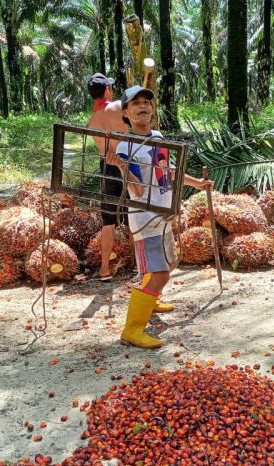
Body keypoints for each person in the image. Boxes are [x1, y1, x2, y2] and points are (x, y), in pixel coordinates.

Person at [109, 86, 212, 349]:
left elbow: (168, 170)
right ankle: (132, 330)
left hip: (164, 213)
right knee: (160, 272)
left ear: (152, 110)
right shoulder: (125, 147)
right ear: (126, 113)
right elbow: (138, 189)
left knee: (169, 261)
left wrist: (196, 183)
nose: (143, 106)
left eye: (146, 102)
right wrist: (122, 166)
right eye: (135, 104)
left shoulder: (157, 136)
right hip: (146, 217)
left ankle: (151, 301)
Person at [86, 73, 128, 282]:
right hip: (126, 164)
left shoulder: (92, 119)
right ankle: (142, 264)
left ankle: (104, 269)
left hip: (106, 167)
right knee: (138, 214)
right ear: (108, 90)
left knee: (108, 221)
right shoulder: (118, 107)